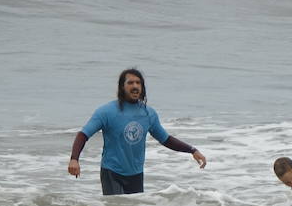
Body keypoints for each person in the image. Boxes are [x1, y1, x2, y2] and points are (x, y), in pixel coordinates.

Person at [68, 68, 207, 195]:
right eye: (130, 83)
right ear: (122, 87)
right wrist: (74, 159)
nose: (135, 86)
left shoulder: (148, 114)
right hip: (112, 172)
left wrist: (192, 150)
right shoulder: (106, 111)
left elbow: (166, 139)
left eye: (138, 83)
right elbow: (83, 134)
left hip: (136, 175)